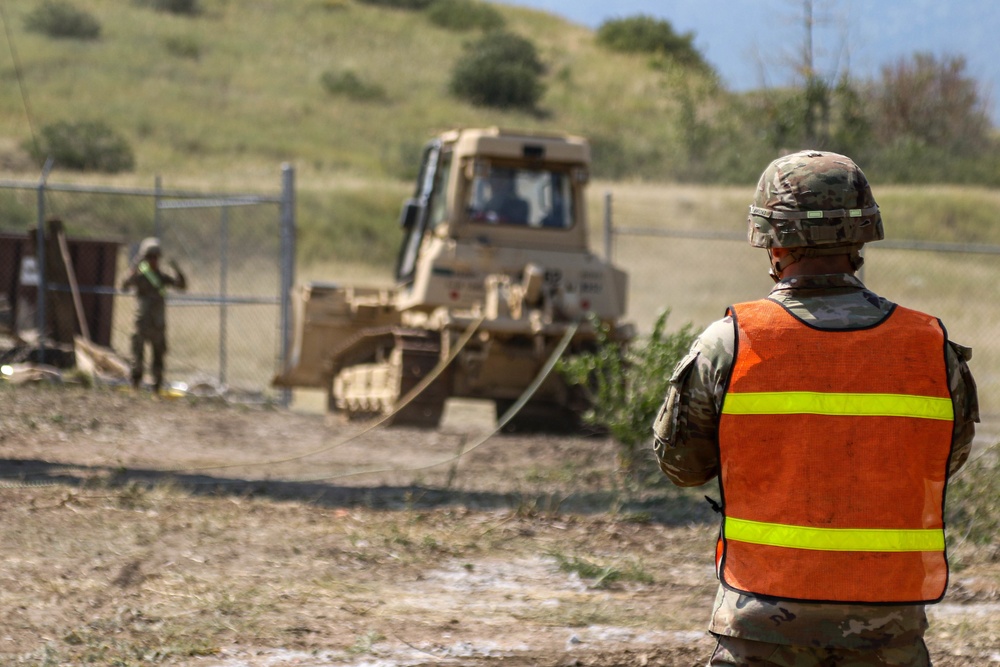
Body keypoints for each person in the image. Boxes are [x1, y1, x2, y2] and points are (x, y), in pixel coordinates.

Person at [652, 150, 979, 666]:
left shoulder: (730, 343)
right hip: (886, 632)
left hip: (762, 624)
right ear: (863, 235)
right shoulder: (929, 348)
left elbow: (682, 468)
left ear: (772, 240)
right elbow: (944, 461)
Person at [121, 237, 186, 393]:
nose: (153, 260)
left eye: (156, 257)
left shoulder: (162, 277)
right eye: (150, 257)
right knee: (137, 357)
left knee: (158, 357)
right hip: (141, 323)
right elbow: (124, 285)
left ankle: (156, 387)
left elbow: (181, 286)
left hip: (158, 324)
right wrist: (134, 267)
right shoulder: (140, 276)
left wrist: (178, 271)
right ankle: (135, 385)